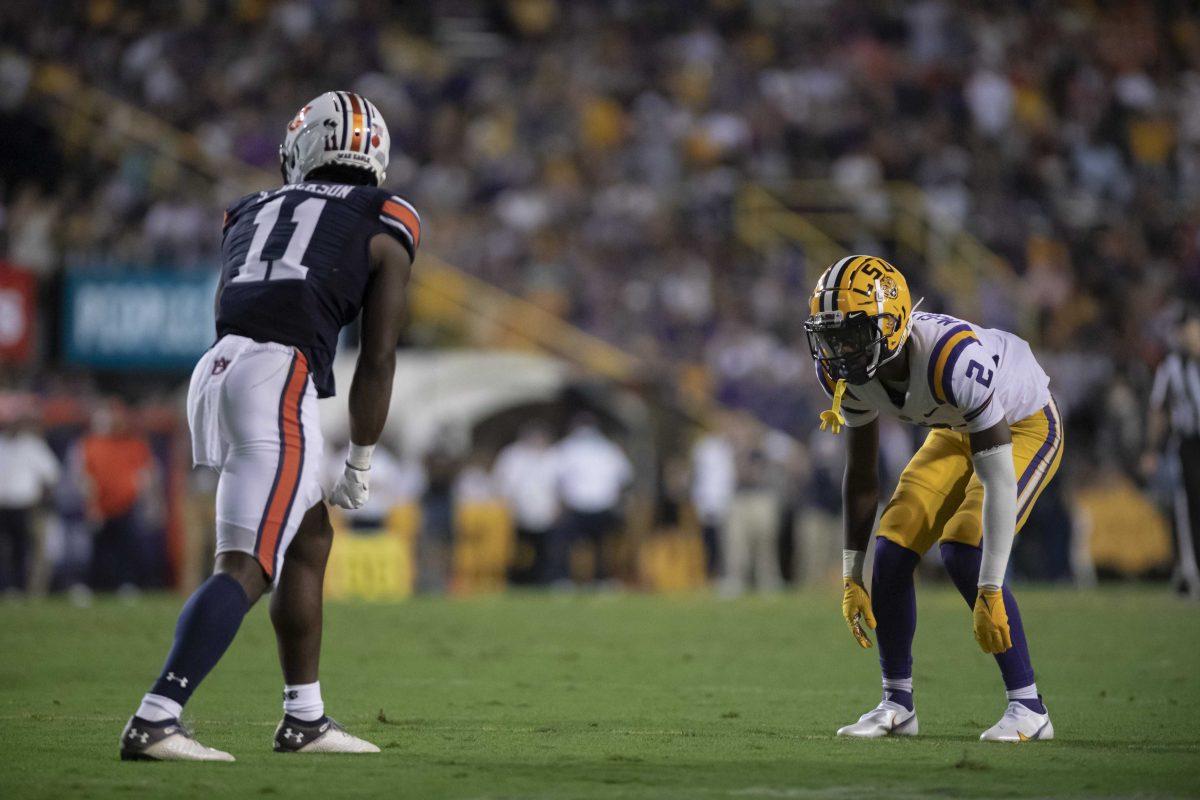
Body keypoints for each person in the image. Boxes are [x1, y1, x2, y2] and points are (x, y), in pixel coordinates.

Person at [120, 91, 417, 761]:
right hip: (277, 378)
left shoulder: (250, 208)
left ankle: (304, 718)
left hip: (221, 365)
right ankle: (157, 714)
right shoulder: (387, 217)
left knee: (307, 539)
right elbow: (379, 353)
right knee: (250, 565)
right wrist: (361, 459)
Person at [805, 255, 1061, 742]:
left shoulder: (952, 360)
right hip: (954, 427)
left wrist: (989, 589)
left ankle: (1029, 707)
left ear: (892, 324)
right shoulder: (849, 375)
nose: (838, 349)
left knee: (964, 545)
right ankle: (897, 704)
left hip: (1023, 424)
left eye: (851, 333)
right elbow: (861, 475)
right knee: (893, 546)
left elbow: (999, 480)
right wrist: (850, 572)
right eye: (829, 334)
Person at [1142, 307, 1200, 599]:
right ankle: (1190, 573)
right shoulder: (1172, 367)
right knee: (1187, 507)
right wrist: (1152, 449)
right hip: (1188, 444)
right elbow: (1159, 410)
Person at [79, 402, 154, 593]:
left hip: (127, 504)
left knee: (127, 547)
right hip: (101, 506)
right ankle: (93, 586)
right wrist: (92, 505)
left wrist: (148, 501)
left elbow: (145, 475)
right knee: (99, 549)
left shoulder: (134, 444)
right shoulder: (92, 445)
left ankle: (126, 583)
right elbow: (87, 478)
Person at [551, 414, 633, 585]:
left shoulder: (569, 448)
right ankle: (570, 578)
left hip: (592, 505)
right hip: (586, 505)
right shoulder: (607, 448)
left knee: (602, 547)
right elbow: (624, 477)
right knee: (589, 546)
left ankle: (585, 578)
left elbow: (556, 478)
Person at [0, 413, 60, 594]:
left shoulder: (32, 446)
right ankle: (5, 587)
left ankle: (22, 588)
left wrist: (42, 499)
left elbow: (52, 474)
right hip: (2, 505)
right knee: (4, 551)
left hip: (25, 505)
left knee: (24, 549)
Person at [493, 423, 560, 585]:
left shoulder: (552, 456)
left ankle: (542, 580)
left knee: (544, 550)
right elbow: (503, 483)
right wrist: (509, 506)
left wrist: (557, 506)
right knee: (517, 550)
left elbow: (558, 484)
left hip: (545, 513)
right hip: (518, 512)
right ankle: (516, 580)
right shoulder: (512, 456)